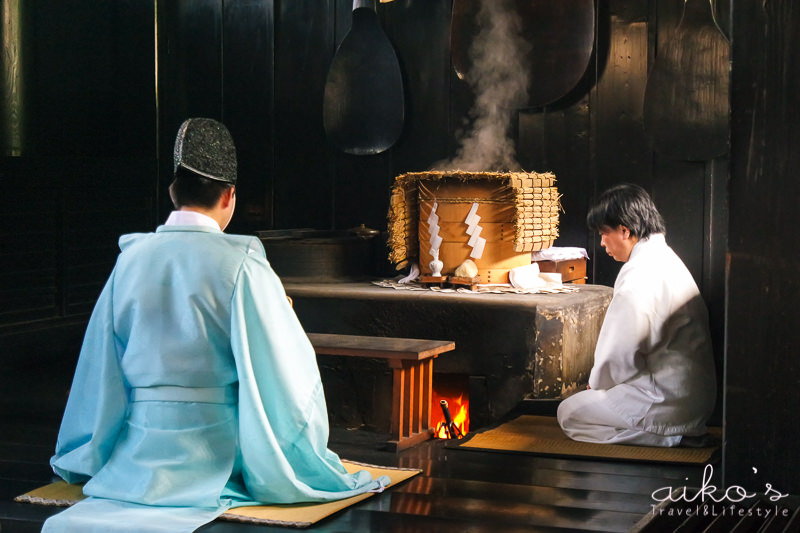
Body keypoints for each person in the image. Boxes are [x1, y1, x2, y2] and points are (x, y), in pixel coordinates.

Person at [42, 118, 388, 532]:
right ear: (230, 196)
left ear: (174, 193)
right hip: (213, 449)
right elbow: (282, 366)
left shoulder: (130, 259)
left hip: (137, 451)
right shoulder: (240, 262)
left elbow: (101, 364)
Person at [557, 183, 716, 447]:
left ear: (624, 230)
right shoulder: (664, 258)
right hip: (688, 395)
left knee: (569, 413)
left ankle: (672, 437)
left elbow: (620, 350)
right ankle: (677, 432)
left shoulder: (641, 273)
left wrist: (598, 385)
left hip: (666, 399)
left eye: (603, 233)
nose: (602, 242)